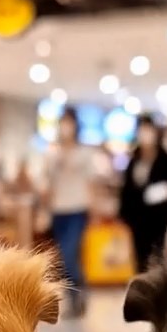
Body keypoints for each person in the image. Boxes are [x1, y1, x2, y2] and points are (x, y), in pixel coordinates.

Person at [46, 106, 96, 316]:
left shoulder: (84, 154)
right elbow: (49, 185)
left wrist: (92, 209)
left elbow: (90, 183)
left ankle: (78, 293)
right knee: (64, 258)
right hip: (59, 211)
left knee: (69, 253)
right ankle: (76, 295)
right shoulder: (52, 154)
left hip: (78, 209)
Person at [120, 114, 167, 271]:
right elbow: (127, 190)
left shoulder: (165, 159)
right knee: (140, 260)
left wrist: (165, 192)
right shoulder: (134, 160)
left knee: (158, 258)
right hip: (138, 220)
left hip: (160, 219)